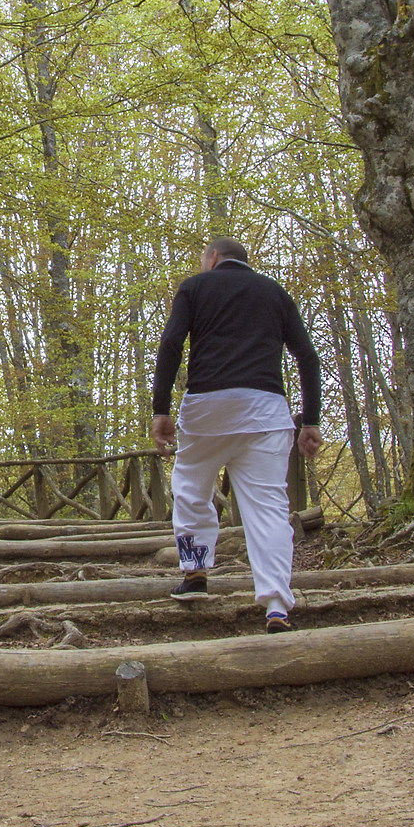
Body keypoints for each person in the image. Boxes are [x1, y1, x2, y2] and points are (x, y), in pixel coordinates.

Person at [149, 237, 322, 632]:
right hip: (266, 410)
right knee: (268, 509)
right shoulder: (274, 292)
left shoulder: (194, 287)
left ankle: (195, 572)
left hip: (207, 408)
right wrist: (311, 419)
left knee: (191, 489)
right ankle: (276, 605)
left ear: (212, 258)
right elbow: (307, 356)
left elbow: (171, 344)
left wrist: (161, 410)